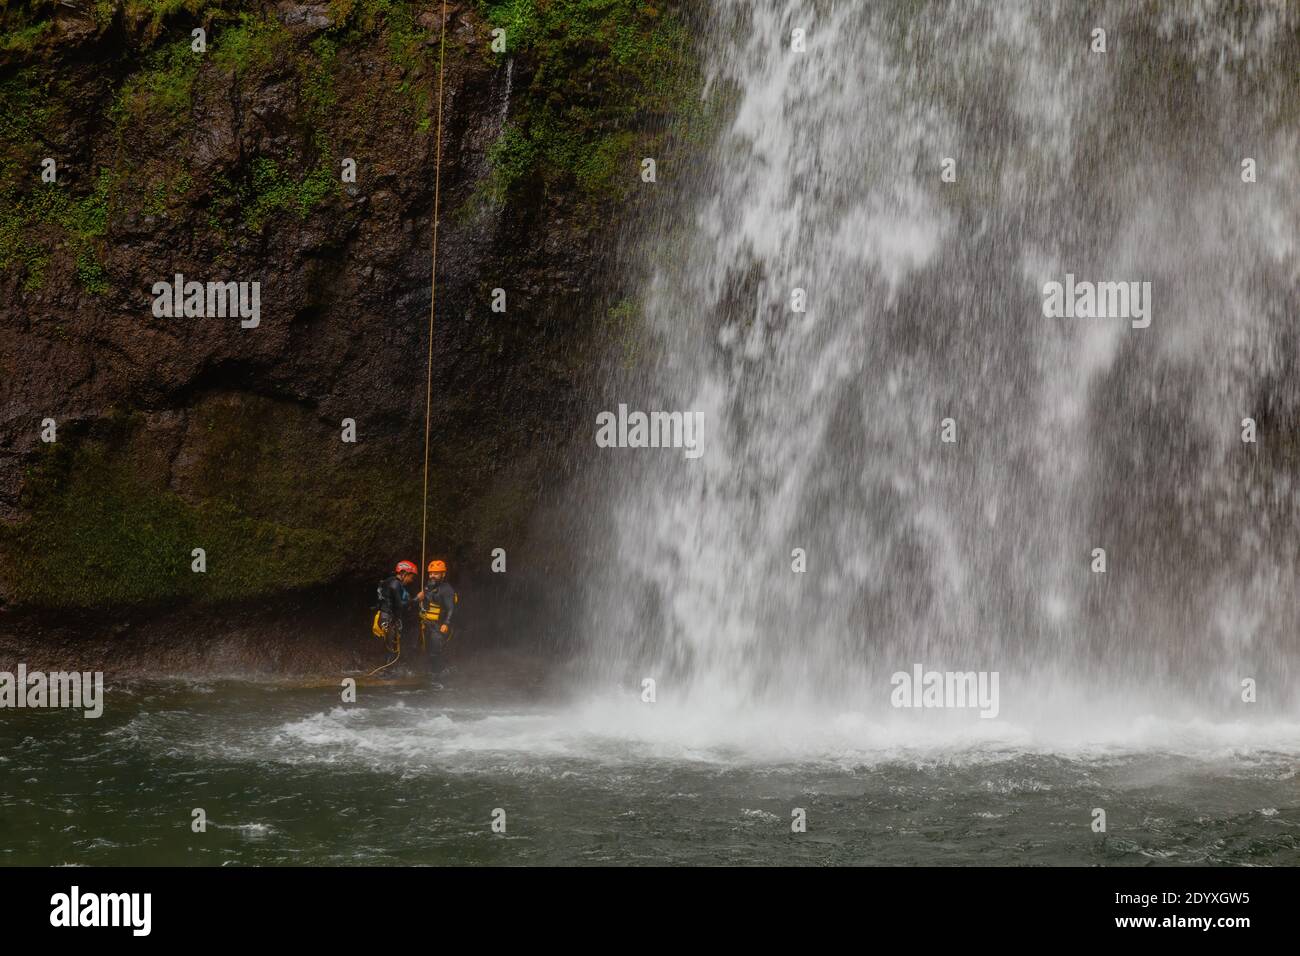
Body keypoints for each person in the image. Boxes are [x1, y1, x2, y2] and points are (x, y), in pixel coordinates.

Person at [372, 560, 419, 671]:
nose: (411, 581)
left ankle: (388, 671)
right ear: (403, 573)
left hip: (386, 616)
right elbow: (400, 605)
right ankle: (387, 673)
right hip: (387, 618)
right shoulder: (395, 585)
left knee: (390, 646)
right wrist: (416, 600)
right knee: (391, 647)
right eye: (411, 577)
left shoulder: (389, 581)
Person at [416, 558, 458, 674]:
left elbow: (451, 609)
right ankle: (427, 672)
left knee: (435, 651)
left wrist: (446, 623)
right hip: (426, 623)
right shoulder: (428, 586)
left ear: (443, 574)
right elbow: (422, 602)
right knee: (423, 649)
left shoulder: (447, 590)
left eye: (436, 573)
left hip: (438, 626)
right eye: (431, 573)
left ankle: (438, 674)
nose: (432, 576)